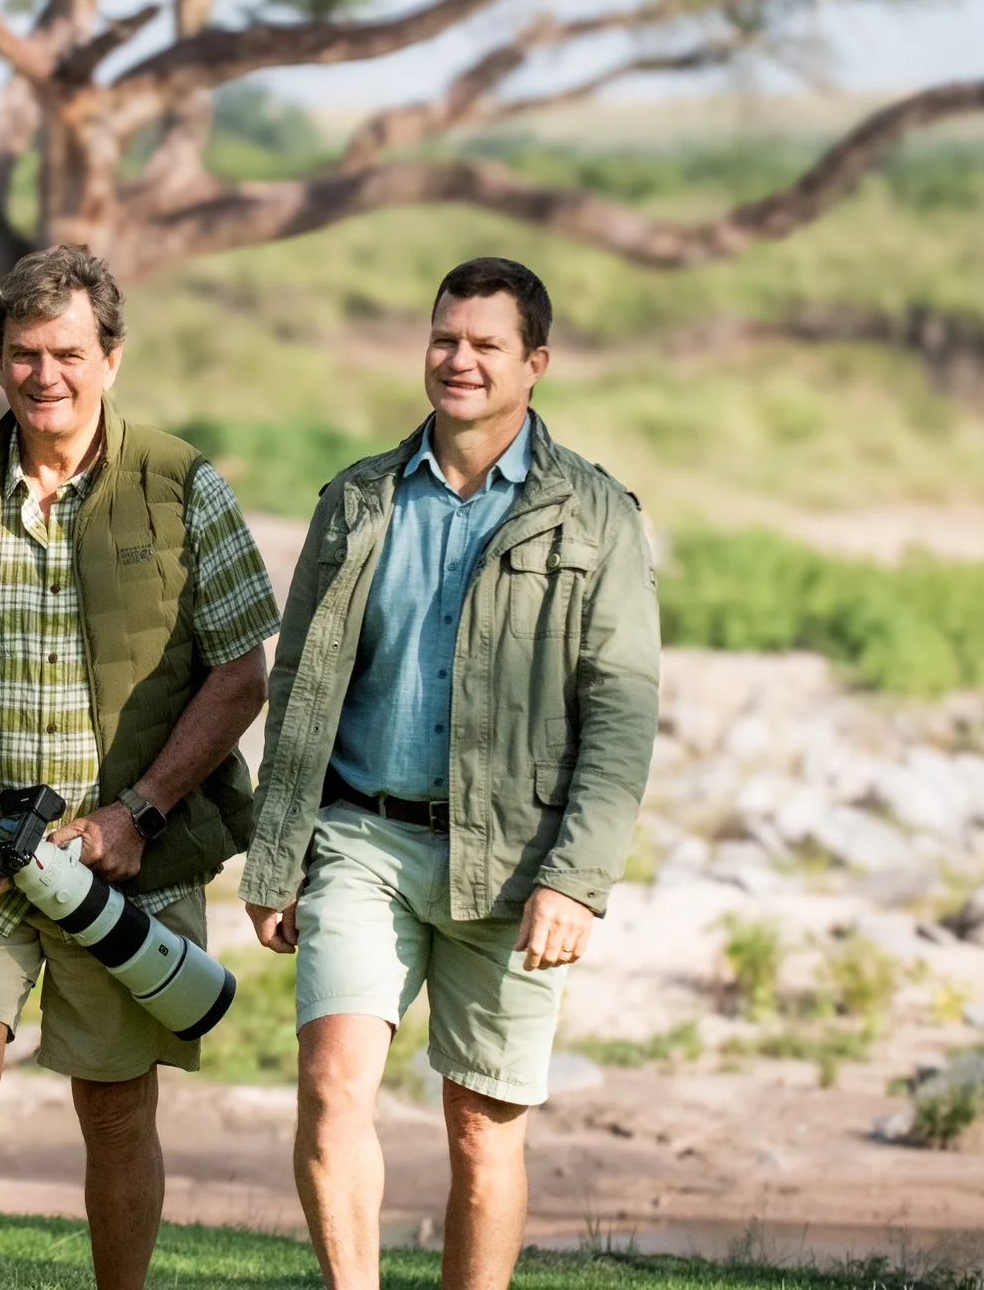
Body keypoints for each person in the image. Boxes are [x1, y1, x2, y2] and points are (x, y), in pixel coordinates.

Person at [0, 245, 279, 1290]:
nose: (44, 375)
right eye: (21, 355)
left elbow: (240, 673)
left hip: (130, 855)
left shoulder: (184, 487)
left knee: (114, 1102)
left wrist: (135, 812)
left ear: (111, 356)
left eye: (66, 353)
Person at [239, 256, 660, 1290]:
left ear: (535, 364)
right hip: (358, 838)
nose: (457, 360)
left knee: (481, 1130)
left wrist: (576, 878)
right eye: (444, 338)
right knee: (331, 1087)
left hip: (514, 859)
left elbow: (621, 710)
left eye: (484, 344)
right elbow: (300, 678)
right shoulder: (357, 499)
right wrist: (275, 848)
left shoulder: (595, 514)